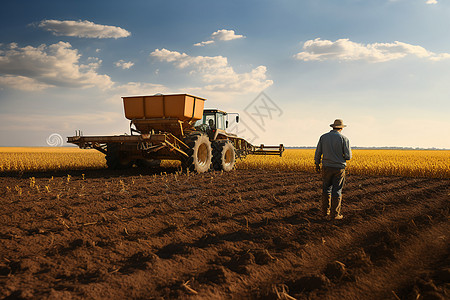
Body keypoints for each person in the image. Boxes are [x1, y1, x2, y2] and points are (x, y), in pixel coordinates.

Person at [314, 119, 352, 220]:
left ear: (333, 127)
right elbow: (348, 156)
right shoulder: (344, 139)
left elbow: (318, 152)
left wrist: (317, 164)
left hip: (326, 167)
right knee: (337, 190)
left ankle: (324, 213)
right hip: (339, 168)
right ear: (341, 128)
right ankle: (335, 214)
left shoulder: (323, 137)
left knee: (326, 188)